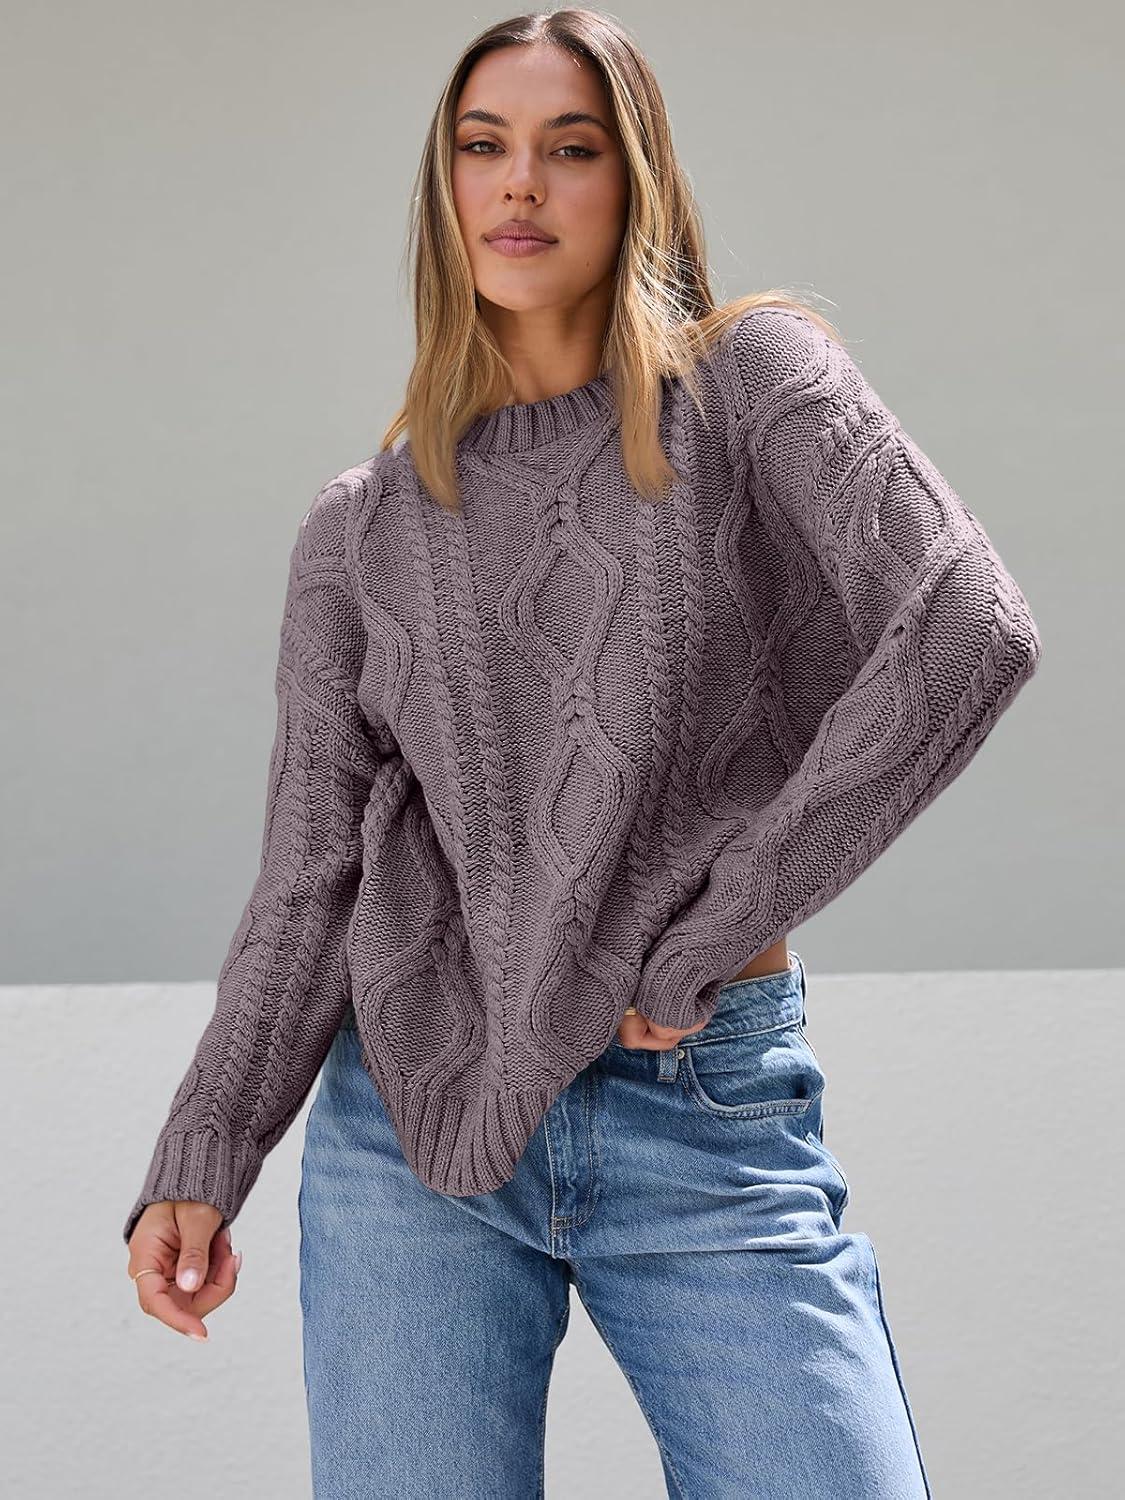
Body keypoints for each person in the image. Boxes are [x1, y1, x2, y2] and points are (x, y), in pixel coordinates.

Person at [123, 10, 1043, 1497]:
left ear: (637, 182)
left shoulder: (755, 383)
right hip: (408, 1127)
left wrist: (705, 940)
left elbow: (967, 631)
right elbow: (309, 876)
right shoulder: (359, 531)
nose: (520, 184)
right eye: (483, 147)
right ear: (442, 186)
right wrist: (203, 1150)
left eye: (571, 148)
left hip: (698, 1100)